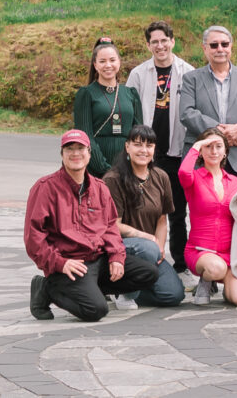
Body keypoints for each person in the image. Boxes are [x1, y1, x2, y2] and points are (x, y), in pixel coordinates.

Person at [25, 130, 158, 321]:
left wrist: (116, 257)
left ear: (89, 153)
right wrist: (59, 263)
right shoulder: (45, 188)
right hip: (70, 264)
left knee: (148, 273)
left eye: (80, 149)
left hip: (98, 259)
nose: (75, 154)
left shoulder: (99, 187)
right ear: (62, 154)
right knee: (96, 310)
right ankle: (47, 288)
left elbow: (110, 227)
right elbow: (34, 238)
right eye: (69, 149)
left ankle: (87, 289)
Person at [126, 21, 195, 286]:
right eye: (154, 42)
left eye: (164, 40)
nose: (160, 46)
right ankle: (144, 259)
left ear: (172, 41)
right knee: (142, 208)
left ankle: (180, 265)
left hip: (175, 151)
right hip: (146, 154)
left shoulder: (187, 72)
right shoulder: (139, 73)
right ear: (148, 45)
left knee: (176, 211)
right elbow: (132, 111)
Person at [102, 125, 185, 307]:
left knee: (174, 295)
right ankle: (125, 293)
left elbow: (162, 220)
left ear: (154, 149)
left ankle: (118, 288)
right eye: (138, 145)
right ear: (127, 147)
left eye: (149, 145)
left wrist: (160, 248)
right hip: (121, 248)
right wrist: (145, 237)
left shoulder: (160, 176)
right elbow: (112, 225)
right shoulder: (113, 179)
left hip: (150, 250)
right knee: (148, 249)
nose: (144, 150)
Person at [180, 25, 237, 188]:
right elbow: (186, 113)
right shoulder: (191, 78)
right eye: (214, 45)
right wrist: (219, 133)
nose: (220, 49)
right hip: (203, 157)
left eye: (224, 44)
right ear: (204, 48)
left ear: (231, 46)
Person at [179, 128, 237, 306]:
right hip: (201, 251)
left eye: (218, 146)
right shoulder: (193, 178)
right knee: (216, 268)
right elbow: (183, 172)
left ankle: (226, 286)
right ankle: (206, 281)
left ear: (225, 151)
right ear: (201, 151)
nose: (214, 151)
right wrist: (196, 145)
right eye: (208, 146)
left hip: (229, 255)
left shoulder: (234, 181)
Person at [74, 37, 143, 177]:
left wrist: (132, 165)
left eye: (112, 60)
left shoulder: (130, 94)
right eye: (102, 61)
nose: (108, 65)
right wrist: (104, 168)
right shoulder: (86, 94)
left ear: (119, 62)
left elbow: (138, 134)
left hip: (127, 168)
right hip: (95, 167)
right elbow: (85, 136)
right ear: (95, 65)